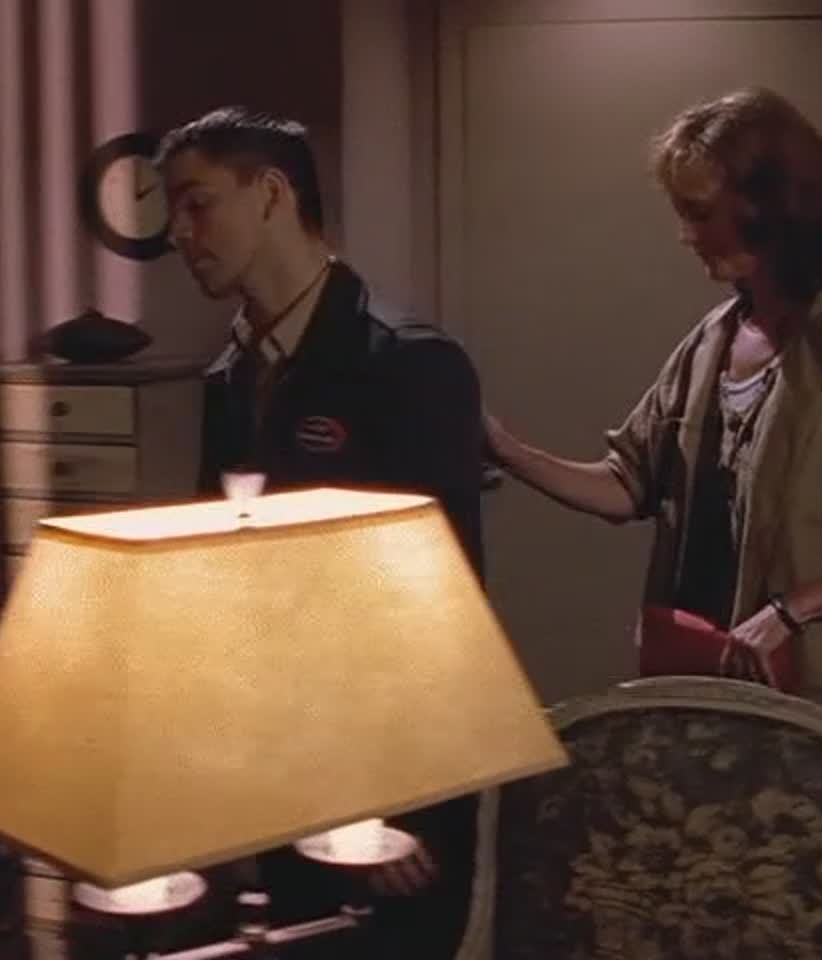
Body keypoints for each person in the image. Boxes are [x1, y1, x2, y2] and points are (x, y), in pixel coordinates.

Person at [485, 87, 822, 726]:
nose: (686, 235)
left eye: (699, 213)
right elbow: (626, 485)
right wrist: (502, 447)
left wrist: (793, 609)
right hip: (712, 687)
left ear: (766, 207)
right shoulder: (715, 339)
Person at [155, 106, 484, 959]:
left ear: (271, 194)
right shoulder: (232, 375)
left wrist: (392, 807)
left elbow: (444, 612)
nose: (179, 232)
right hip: (284, 778)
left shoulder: (406, 362)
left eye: (197, 204)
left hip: (391, 798)